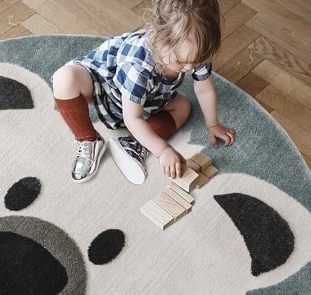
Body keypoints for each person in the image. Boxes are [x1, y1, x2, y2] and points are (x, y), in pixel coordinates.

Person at [52, 0, 235, 184]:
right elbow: (133, 119)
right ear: (159, 37)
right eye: (181, 61)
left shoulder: (194, 51)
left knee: (183, 106)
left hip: (145, 98)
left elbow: (204, 89)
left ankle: (133, 144)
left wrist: (213, 124)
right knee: (64, 79)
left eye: (195, 61)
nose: (189, 68)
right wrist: (163, 150)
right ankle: (88, 139)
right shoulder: (137, 66)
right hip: (106, 89)